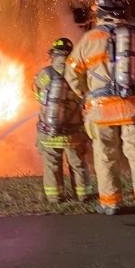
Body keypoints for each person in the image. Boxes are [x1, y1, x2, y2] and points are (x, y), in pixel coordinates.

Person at [65, 0, 135, 217]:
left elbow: (71, 72)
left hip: (101, 110)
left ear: (99, 13)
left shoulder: (89, 39)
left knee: (105, 155)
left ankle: (110, 203)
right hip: (133, 106)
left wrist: (85, 94)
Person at [32, 38, 94, 203]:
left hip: (49, 132)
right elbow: (86, 96)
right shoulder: (79, 73)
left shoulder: (45, 74)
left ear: (53, 54)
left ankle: (55, 197)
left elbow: (38, 96)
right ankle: (83, 195)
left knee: (52, 165)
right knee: (78, 164)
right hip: (73, 132)